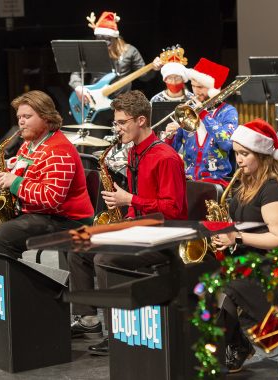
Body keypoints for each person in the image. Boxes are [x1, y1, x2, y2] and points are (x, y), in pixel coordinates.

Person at [68, 90, 187, 355]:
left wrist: (130, 199)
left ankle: (118, 332)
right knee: (78, 246)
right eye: (117, 123)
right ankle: (88, 319)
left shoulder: (166, 157)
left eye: (122, 122)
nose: (118, 128)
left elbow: (174, 210)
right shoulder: (134, 153)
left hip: (164, 234)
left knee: (105, 259)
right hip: (139, 227)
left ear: (141, 121)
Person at [211, 119, 278, 373]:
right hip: (255, 254)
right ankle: (234, 342)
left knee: (228, 286)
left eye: (244, 154)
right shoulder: (246, 182)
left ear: (263, 155)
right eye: (236, 154)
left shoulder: (274, 187)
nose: (238, 160)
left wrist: (236, 238)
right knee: (204, 277)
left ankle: (236, 344)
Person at [0, 91, 94, 258]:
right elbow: (25, 176)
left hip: (65, 220)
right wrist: (11, 172)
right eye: (19, 117)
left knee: (1, 236)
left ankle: (11, 283)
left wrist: (15, 182)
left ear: (46, 117)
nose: (21, 122)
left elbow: (51, 198)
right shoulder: (27, 145)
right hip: (35, 212)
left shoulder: (59, 151)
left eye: (27, 116)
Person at [69, 11, 163, 124]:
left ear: (115, 38)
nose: (103, 42)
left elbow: (144, 77)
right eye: (99, 38)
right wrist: (79, 87)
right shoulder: (91, 51)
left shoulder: (129, 51)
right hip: (95, 105)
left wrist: (154, 68)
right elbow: (76, 74)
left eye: (108, 39)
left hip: (123, 105)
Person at [163, 58, 238, 187]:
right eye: (193, 86)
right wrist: (169, 137)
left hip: (217, 182)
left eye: (201, 87)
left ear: (213, 88)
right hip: (188, 181)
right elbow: (170, 152)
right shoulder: (188, 110)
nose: (196, 91)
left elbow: (226, 143)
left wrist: (203, 114)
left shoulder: (228, 112)